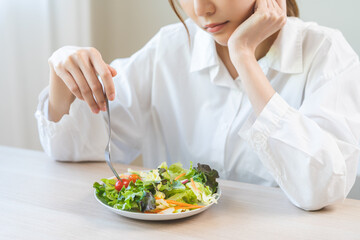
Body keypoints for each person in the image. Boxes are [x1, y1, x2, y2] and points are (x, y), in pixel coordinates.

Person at [35, 0, 360, 211]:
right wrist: (60, 69)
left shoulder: (327, 54)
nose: (200, 8)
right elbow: (74, 148)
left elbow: (321, 189)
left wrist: (244, 57)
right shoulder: (170, 47)